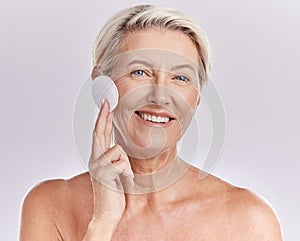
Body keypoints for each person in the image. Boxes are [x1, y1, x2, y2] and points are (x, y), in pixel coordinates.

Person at [19, 4, 283, 241]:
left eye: (180, 78)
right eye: (139, 72)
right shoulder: (50, 206)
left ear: (196, 99)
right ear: (101, 84)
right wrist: (102, 223)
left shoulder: (249, 220)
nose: (160, 96)